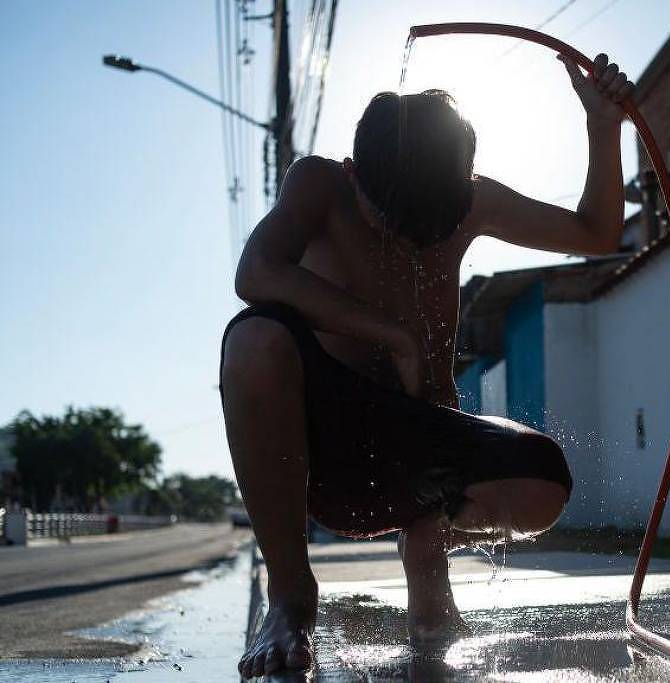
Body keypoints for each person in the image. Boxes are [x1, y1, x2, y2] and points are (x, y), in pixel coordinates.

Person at [220, 51, 634, 678]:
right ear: (355, 175)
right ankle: (290, 597)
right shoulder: (319, 185)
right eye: (391, 226)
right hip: (318, 452)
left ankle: (428, 552)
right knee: (253, 341)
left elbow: (596, 233)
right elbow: (256, 272)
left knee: (543, 480)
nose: (409, 247)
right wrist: (397, 337)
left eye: (429, 233)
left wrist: (603, 127)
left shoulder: (471, 203)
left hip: (416, 455)